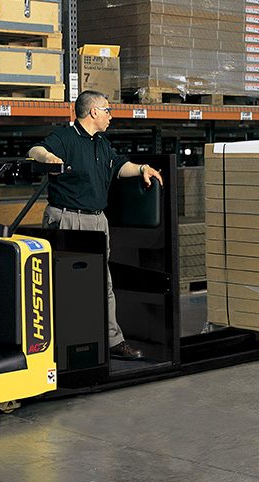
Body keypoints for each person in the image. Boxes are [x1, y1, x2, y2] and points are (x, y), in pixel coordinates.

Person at [27, 90, 163, 360]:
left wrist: (142, 169)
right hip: (68, 218)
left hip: (97, 220)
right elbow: (34, 150)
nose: (111, 115)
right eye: (107, 110)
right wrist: (47, 158)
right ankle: (58, 345)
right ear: (93, 112)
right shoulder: (65, 138)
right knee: (64, 285)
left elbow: (119, 166)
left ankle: (112, 341)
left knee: (103, 283)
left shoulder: (101, 143)